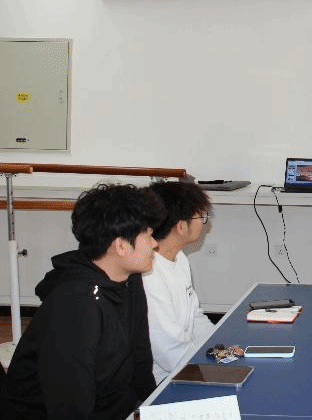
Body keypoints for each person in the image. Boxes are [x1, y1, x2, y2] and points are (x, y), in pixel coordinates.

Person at [1, 183, 164, 420]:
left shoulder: (129, 280)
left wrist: (154, 408)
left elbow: (140, 357)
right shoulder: (76, 306)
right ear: (120, 245)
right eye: (148, 234)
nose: (155, 243)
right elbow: (70, 409)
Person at [143, 180, 216, 383]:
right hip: (161, 380)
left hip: (185, 366)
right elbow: (170, 353)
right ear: (181, 226)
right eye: (201, 216)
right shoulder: (149, 274)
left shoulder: (180, 258)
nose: (204, 222)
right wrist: (213, 369)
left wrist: (220, 347)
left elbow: (195, 317)